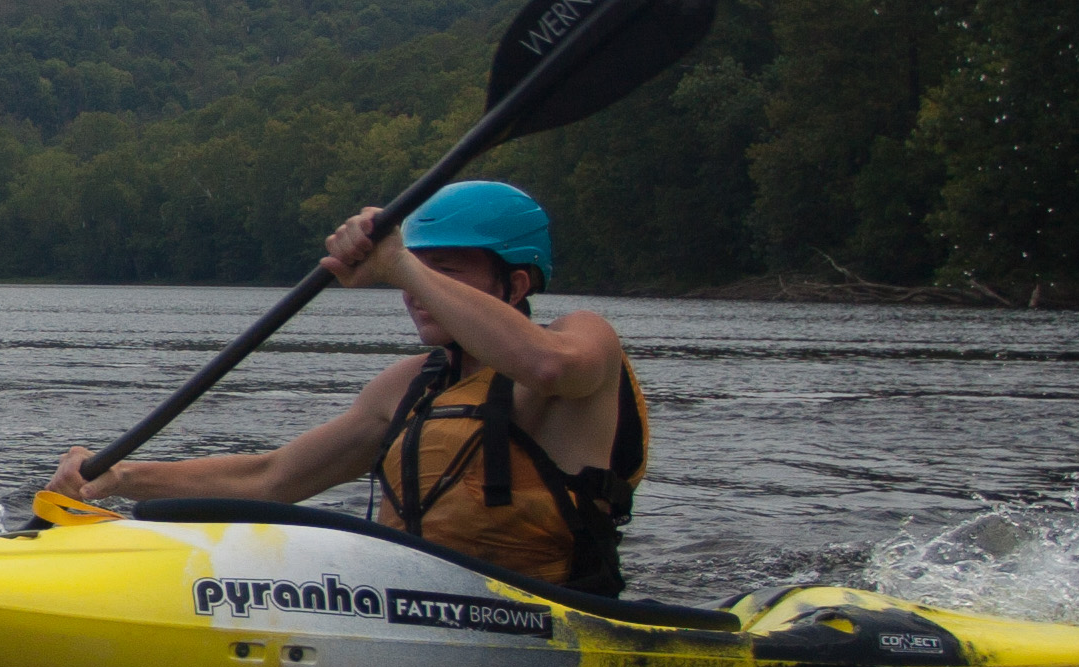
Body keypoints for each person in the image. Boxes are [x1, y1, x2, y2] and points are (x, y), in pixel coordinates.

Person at [49, 180, 647, 593]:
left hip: (549, 617)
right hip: (406, 609)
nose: (416, 291)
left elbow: (548, 366)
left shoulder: (583, 343)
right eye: (416, 268)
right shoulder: (410, 386)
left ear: (514, 284)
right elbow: (272, 478)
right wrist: (122, 477)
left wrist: (400, 262)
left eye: (446, 271)